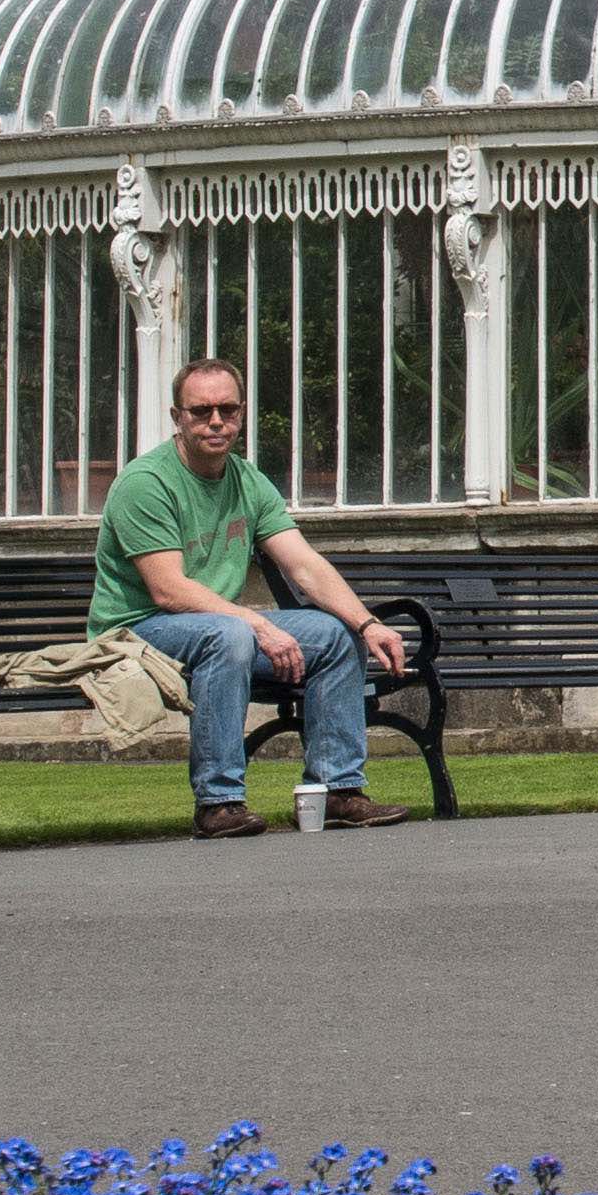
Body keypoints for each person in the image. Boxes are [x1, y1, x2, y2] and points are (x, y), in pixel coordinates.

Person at [93, 357, 415, 837]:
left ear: (242, 414)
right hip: (136, 630)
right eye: (201, 411)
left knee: (332, 633)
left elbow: (303, 564)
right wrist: (259, 623)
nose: (216, 421)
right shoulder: (146, 484)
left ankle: (338, 792)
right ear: (177, 417)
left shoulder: (246, 480)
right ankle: (218, 803)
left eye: (228, 409)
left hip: (214, 623)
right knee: (230, 637)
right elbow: (168, 589)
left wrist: (368, 624)